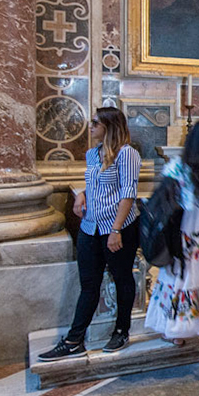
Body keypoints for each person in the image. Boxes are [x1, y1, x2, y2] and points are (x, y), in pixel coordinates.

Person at [39, 108, 143, 361]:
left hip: (118, 229)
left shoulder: (127, 154)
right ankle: (74, 340)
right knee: (88, 284)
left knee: (122, 279)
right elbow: (95, 183)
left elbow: (128, 192)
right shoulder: (92, 154)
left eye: (95, 122)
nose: (90, 126)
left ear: (110, 126)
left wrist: (116, 230)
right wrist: (82, 194)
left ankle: (121, 330)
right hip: (90, 227)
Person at [144, 119, 199, 361]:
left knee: (179, 280)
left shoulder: (176, 166)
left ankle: (176, 332)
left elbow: (164, 198)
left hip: (182, 232)